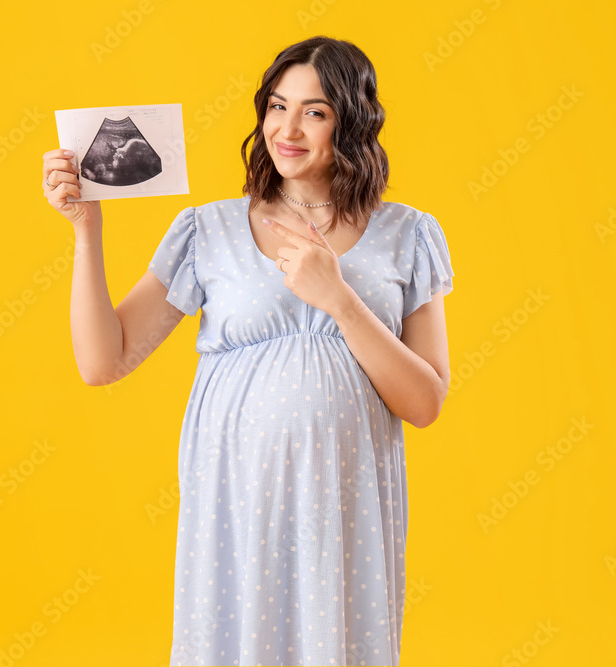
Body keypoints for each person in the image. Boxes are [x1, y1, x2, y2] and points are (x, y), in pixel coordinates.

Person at [41, 35, 455, 667]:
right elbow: (104, 361)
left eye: (315, 111)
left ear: (354, 121)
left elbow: (424, 402)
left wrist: (339, 300)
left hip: (345, 504)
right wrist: (85, 233)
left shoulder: (409, 234)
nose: (287, 129)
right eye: (276, 107)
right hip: (235, 496)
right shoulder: (208, 230)